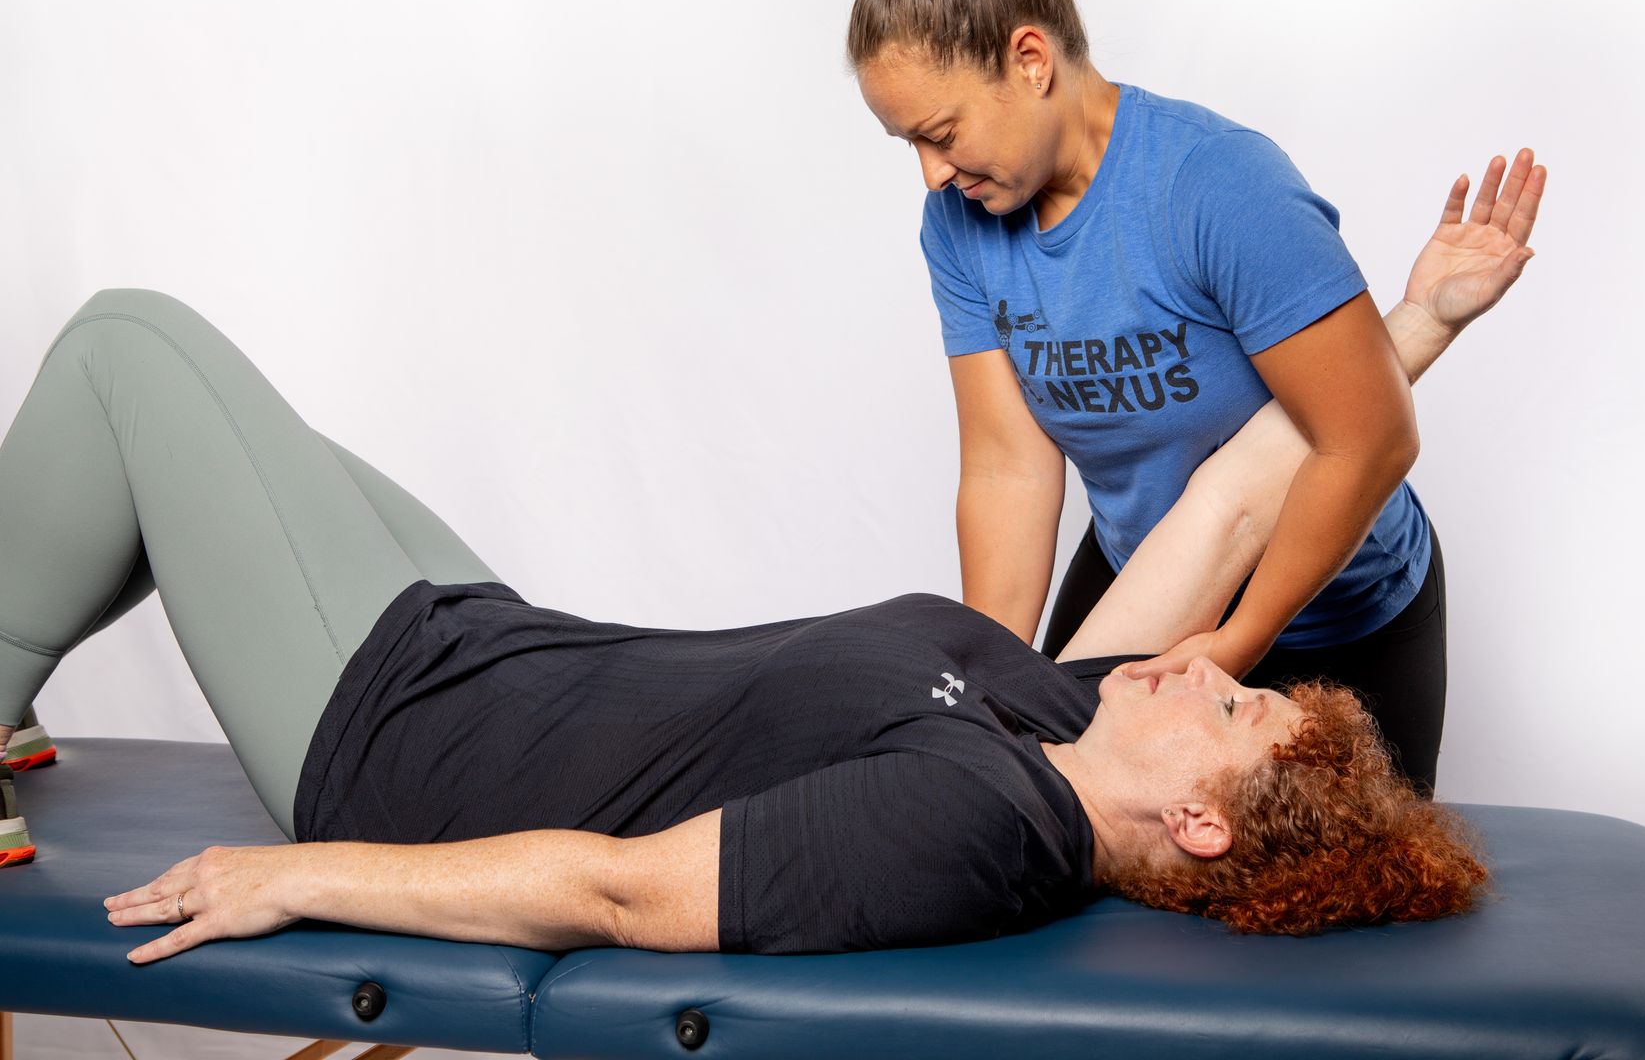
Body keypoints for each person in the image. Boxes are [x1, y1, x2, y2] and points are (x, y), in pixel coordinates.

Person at [0, 288, 1485, 962]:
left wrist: (298, 876)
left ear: (1201, 826)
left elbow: (620, 895)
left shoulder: (982, 824)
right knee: (194, 444)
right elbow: (1232, 504)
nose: (1201, 666)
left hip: (402, 737)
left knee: (130, 352)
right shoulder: (1058, 717)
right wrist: (1420, 326)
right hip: (494, 639)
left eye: (1227, 708)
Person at [850, 0, 1547, 796]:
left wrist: (1237, 642)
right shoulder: (961, 225)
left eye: (941, 133)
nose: (933, 173)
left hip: (1338, 613)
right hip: (1152, 582)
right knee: (1064, 845)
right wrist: (990, 697)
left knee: (1342, 919)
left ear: (1030, 59)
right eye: (908, 146)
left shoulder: (1214, 185)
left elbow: (1370, 438)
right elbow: (1009, 469)